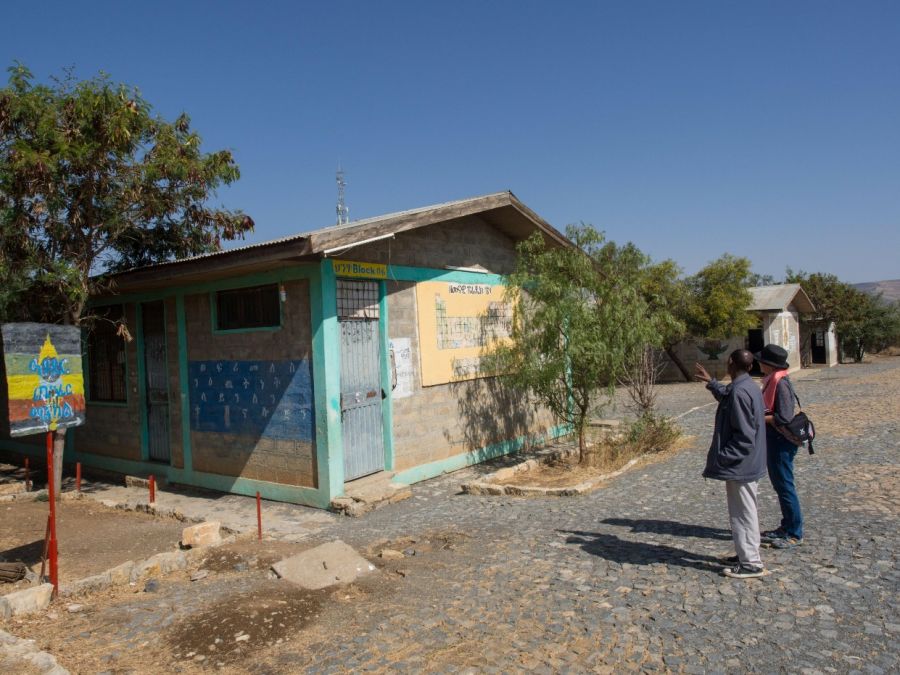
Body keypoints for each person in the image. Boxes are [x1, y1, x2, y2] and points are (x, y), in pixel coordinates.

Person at [695, 350, 767, 579]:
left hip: (741, 465)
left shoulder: (740, 391)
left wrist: (721, 457)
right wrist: (712, 383)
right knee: (746, 512)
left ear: (730, 363)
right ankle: (746, 553)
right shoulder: (748, 386)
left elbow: (744, 437)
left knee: (743, 513)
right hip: (748, 463)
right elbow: (727, 396)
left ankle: (751, 564)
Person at [755, 344, 804, 549]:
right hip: (774, 439)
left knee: (785, 485)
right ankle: (786, 526)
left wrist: (756, 418)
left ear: (768, 364)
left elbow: (783, 416)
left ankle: (794, 532)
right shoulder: (772, 380)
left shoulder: (780, 383)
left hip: (781, 441)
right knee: (780, 485)